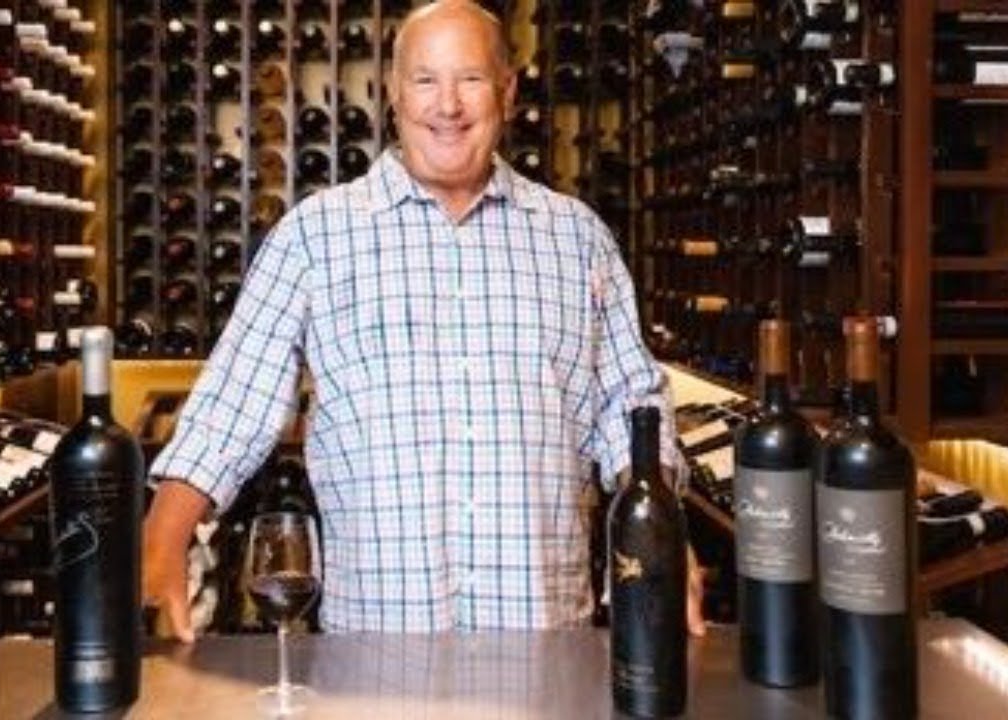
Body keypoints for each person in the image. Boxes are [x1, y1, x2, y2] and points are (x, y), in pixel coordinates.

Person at [143, 0, 704, 639]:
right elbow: (234, 403)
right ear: (393, 93)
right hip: (373, 643)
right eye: (425, 80)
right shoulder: (314, 237)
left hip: (543, 638)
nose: (448, 105)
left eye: (471, 79)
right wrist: (164, 539)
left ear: (507, 92)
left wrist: (662, 529)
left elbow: (630, 406)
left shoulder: (579, 239)